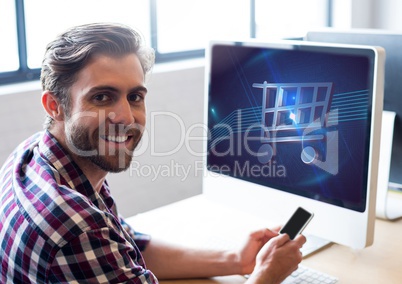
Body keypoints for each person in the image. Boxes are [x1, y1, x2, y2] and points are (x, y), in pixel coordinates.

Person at [0, 23, 305, 283]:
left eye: (134, 97)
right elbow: (93, 238)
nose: (125, 116)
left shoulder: (34, 156)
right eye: (102, 97)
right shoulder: (75, 226)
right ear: (55, 106)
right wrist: (264, 277)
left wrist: (237, 260)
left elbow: (126, 246)